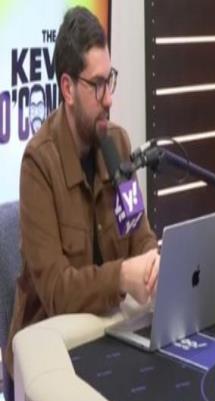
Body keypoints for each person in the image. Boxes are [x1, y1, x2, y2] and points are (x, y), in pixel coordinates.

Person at [5, 7, 159, 376]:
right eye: (97, 85)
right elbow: (56, 291)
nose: (109, 99)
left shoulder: (117, 144)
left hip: (109, 331)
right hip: (49, 347)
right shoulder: (38, 164)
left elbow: (139, 233)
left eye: (111, 80)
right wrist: (121, 276)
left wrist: (153, 262)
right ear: (68, 88)